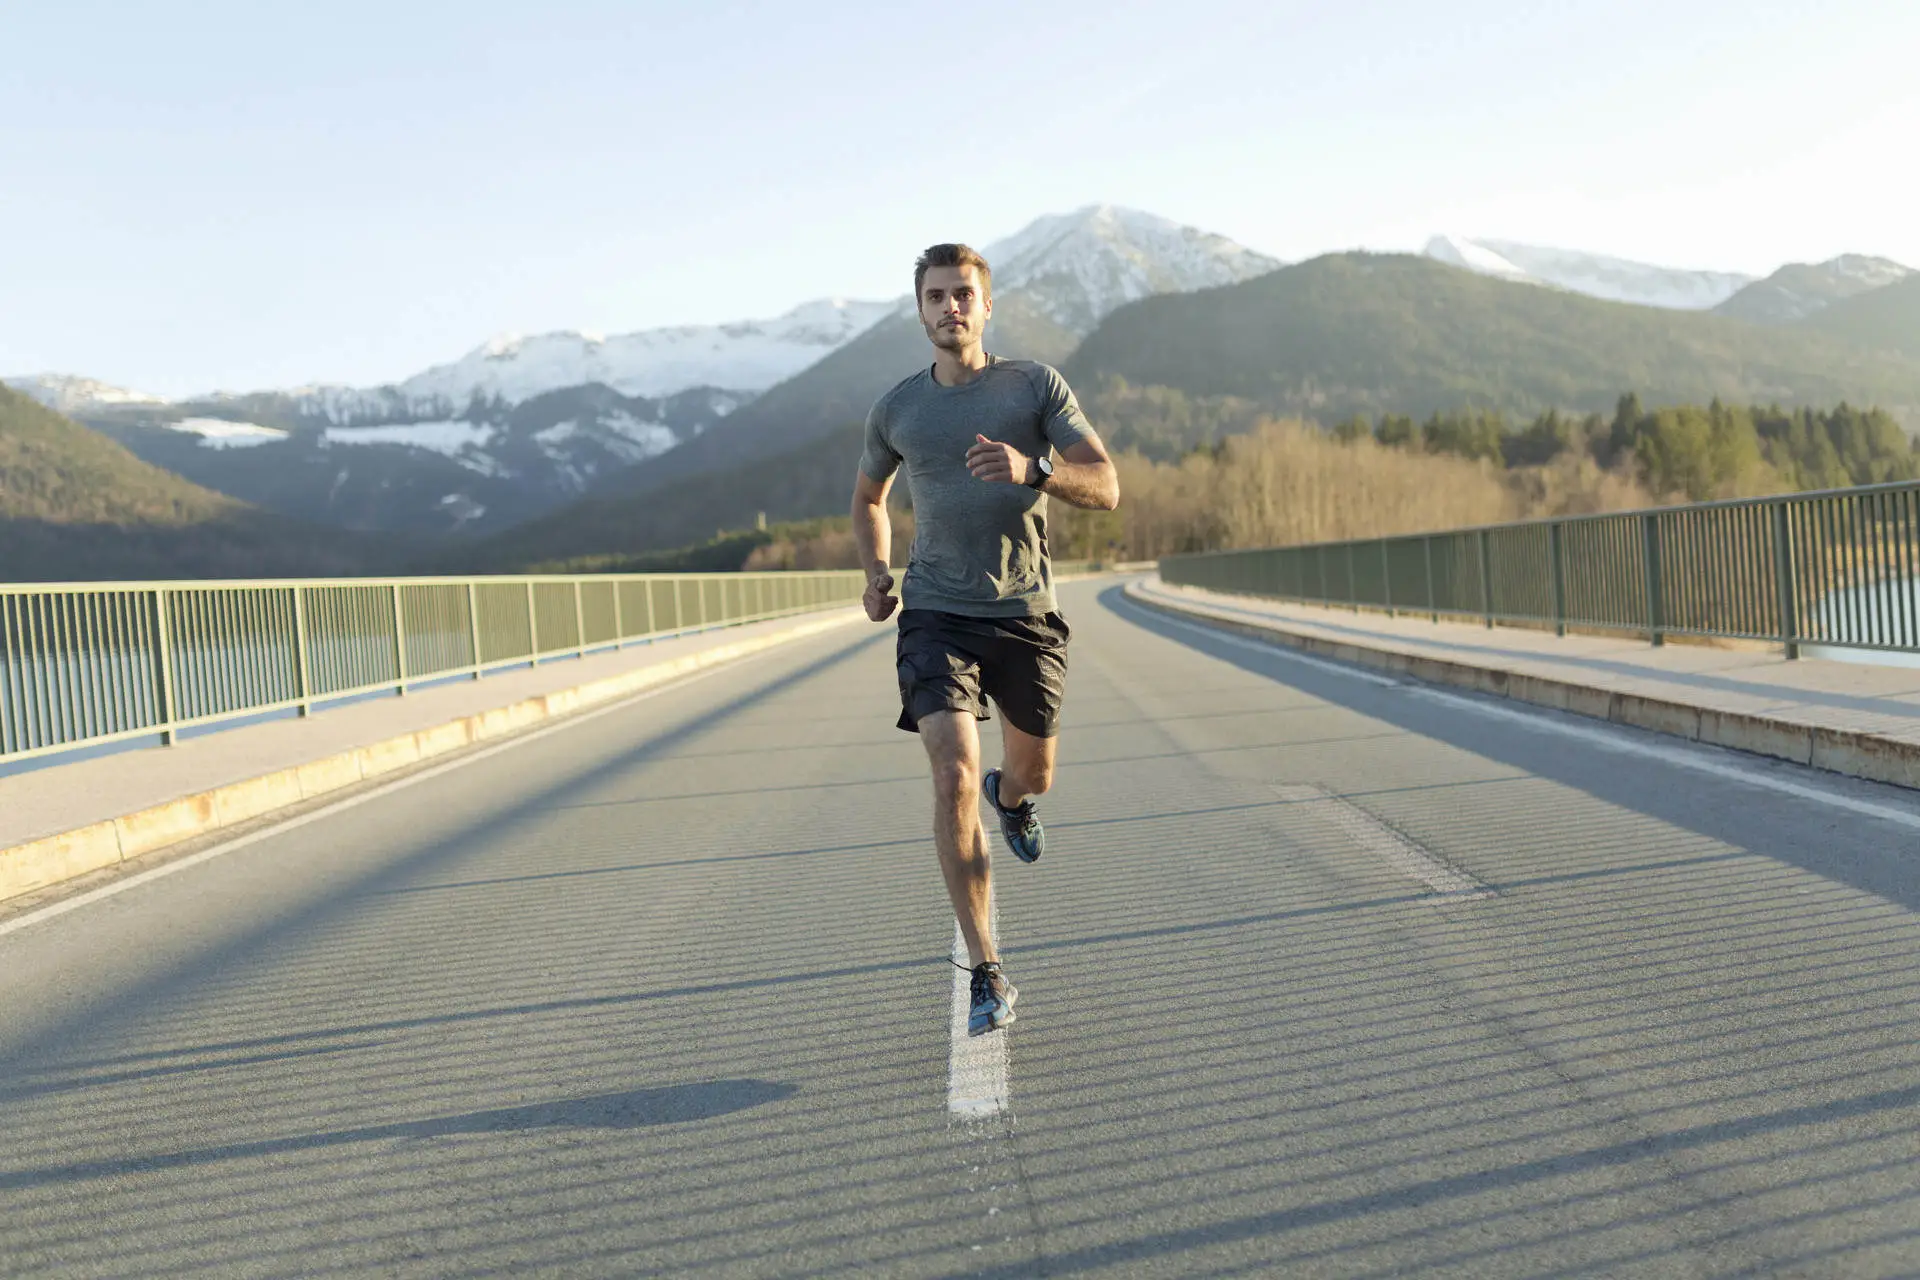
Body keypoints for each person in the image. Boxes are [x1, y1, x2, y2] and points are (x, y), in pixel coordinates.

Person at [850, 242, 1120, 1035]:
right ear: (921, 309)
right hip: (934, 611)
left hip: (1025, 612)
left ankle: (1015, 799)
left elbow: (1104, 485)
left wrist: (1035, 470)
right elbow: (869, 495)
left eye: (963, 294)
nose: (950, 308)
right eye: (935, 296)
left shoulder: (1034, 386)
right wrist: (875, 570)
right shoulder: (897, 408)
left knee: (1027, 773)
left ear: (987, 305)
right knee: (952, 774)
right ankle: (987, 971)